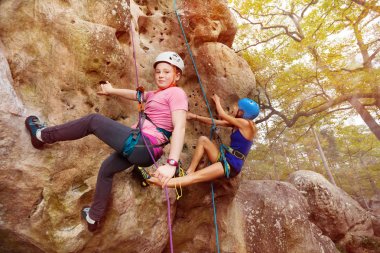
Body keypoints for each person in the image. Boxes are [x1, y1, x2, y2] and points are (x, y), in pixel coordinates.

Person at [24, 51, 188, 232]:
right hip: (143, 152)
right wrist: (112, 91)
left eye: (166, 71)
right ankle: (94, 217)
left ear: (177, 75)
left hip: (143, 144)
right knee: (106, 170)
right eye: (158, 71)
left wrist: (172, 164)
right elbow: (137, 95)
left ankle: (41, 135)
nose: (161, 75)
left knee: (93, 121)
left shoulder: (176, 93)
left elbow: (180, 126)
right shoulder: (156, 95)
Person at [147, 94, 259, 188]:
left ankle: (160, 182)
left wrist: (217, 101)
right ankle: (189, 171)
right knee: (203, 140)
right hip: (225, 158)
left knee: (195, 178)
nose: (234, 108)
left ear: (242, 112)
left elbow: (222, 115)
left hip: (231, 165)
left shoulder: (247, 124)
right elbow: (214, 121)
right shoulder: (239, 124)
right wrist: (194, 116)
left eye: (237, 107)